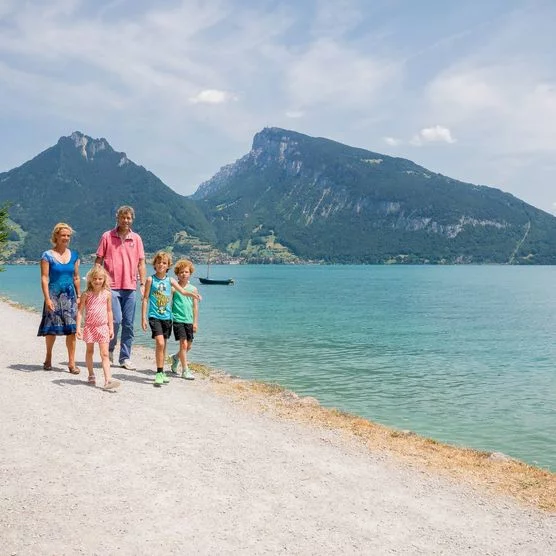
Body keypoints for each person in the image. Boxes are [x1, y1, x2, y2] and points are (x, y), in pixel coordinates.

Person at [95, 205, 146, 370]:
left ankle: (125, 357)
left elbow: (141, 263)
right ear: (117, 218)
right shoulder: (107, 236)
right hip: (111, 287)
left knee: (129, 324)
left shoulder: (136, 239)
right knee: (115, 320)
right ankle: (109, 350)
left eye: (129, 218)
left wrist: (143, 284)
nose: (126, 220)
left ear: (132, 219)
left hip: (130, 286)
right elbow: (99, 261)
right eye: (123, 217)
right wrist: (96, 283)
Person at [141, 251, 201, 387]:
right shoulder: (150, 280)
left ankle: (162, 372)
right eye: (159, 262)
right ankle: (159, 372)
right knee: (160, 343)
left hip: (167, 318)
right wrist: (143, 318)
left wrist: (195, 295)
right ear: (154, 264)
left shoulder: (170, 280)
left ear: (168, 265)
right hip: (154, 316)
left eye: (164, 263)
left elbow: (183, 291)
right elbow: (145, 299)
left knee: (165, 346)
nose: (161, 265)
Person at [37, 222, 81, 373]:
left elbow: (76, 277)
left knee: (72, 330)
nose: (66, 238)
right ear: (56, 236)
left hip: (70, 297)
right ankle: (48, 357)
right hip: (53, 296)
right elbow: (44, 278)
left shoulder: (74, 255)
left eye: (68, 236)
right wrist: (47, 298)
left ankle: (71, 363)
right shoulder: (47, 255)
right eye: (63, 235)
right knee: (51, 329)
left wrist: (80, 295)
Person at [76, 266, 120, 390]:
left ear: (104, 279)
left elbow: (109, 311)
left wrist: (111, 328)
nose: (97, 281)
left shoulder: (107, 294)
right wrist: (78, 328)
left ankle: (108, 380)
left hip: (103, 327)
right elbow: (80, 312)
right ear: (90, 280)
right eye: (95, 278)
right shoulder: (86, 294)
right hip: (89, 327)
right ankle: (91, 374)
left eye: (100, 279)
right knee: (89, 351)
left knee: (105, 354)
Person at [169, 259, 199, 380]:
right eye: (181, 272)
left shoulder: (193, 289)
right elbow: (169, 302)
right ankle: (185, 370)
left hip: (189, 321)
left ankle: (175, 358)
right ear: (177, 273)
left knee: (189, 346)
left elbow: (195, 307)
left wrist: (195, 322)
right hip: (178, 319)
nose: (184, 274)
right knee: (183, 344)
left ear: (190, 273)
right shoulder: (174, 288)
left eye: (186, 272)